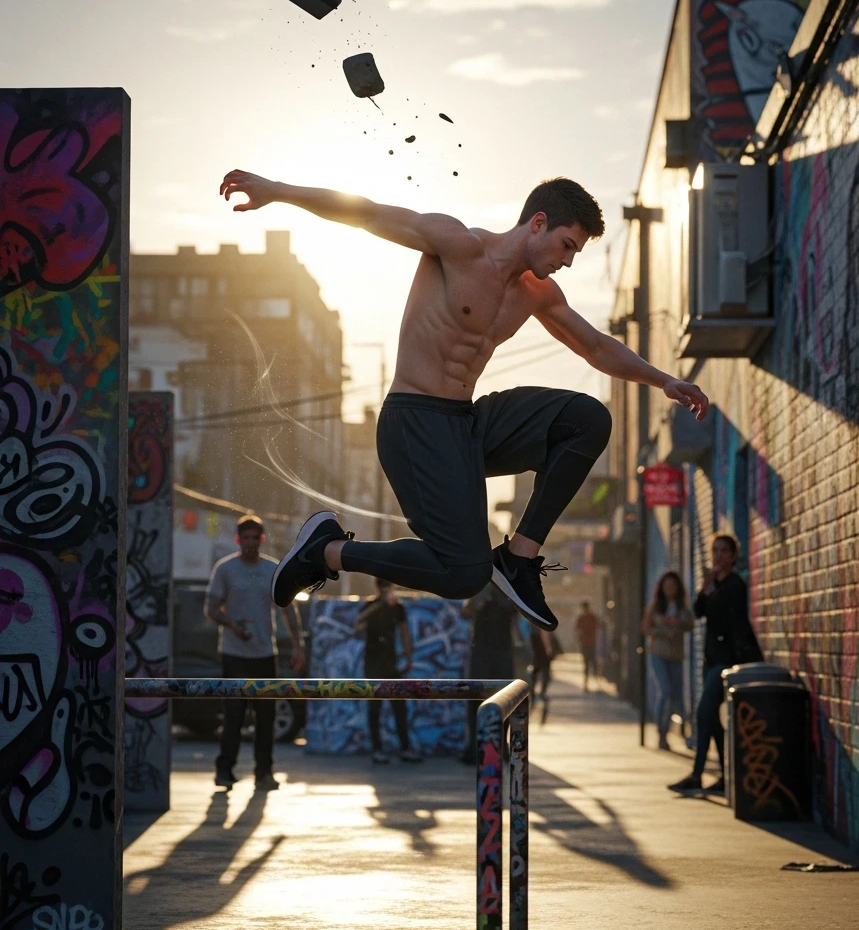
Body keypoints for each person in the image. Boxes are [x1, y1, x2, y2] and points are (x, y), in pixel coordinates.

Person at [219, 171, 709, 630]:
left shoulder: (538, 293)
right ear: (537, 223)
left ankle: (518, 558)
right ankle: (326, 552)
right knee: (464, 574)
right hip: (413, 422)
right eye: (566, 245)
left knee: (588, 420)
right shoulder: (457, 245)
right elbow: (365, 212)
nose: (567, 260)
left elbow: (597, 347)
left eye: (575, 252)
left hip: (466, 423)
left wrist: (663, 380)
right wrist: (276, 189)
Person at [205, 515, 305, 792]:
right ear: (238, 540)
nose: (250, 543)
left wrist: (298, 646)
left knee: (266, 717)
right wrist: (231, 625)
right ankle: (224, 772)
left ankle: (264, 773)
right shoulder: (225, 569)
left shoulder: (273, 569)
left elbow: (290, 610)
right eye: (245, 538)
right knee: (234, 715)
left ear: (262, 540)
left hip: (264, 654)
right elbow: (211, 608)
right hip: (234, 654)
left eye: (254, 538)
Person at [668, 534, 762, 795]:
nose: (718, 556)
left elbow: (721, 611)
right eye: (715, 551)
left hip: (728, 661)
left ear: (733, 555)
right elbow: (699, 611)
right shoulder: (715, 584)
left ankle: (697, 775)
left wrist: (711, 587)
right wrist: (705, 587)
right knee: (711, 717)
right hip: (711, 660)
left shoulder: (734, 584)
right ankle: (724, 777)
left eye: (724, 551)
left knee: (703, 713)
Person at [355, 579, 416, 763]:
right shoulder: (370, 606)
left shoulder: (398, 608)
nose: (385, 591)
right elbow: (357, 625)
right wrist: (379, 605)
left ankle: (405, 749)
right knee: (375, 708)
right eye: (382, 587)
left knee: (399, 707)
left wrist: (408, 657)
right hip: (373, 664)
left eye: (387, 587)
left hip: (391, 664)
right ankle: (377, 749)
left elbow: (405, 632)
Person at [460, 586, 517, 764]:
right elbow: (466, 611)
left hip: (503, 650)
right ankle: (473, 747)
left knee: (505, 699)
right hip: (481, 652)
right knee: (475, 698)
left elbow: (516, 612)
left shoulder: (509, 587)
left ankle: (501, 744)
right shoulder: (480, 585)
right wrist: (482, 595)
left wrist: (502, 594)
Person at [641, 571, 694, 750]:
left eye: (673, 586)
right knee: (665, 691)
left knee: (677, 695)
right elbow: (646, 629)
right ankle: (662, 732)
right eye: (667, 586)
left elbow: (690, 625)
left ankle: (684, 730)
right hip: (658, 654)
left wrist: (679, 623)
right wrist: (663, 628)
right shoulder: (655, 607)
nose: (670, 589)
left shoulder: (681, 607)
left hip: (676, 655)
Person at [575, 600, 600, 690]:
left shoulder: (590, 617)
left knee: (590, 663)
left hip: (589, 643)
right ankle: (589, 683)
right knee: (589, 663)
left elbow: (577, 630)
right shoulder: (586, 617)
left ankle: (593, 682)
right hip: (588, 643)